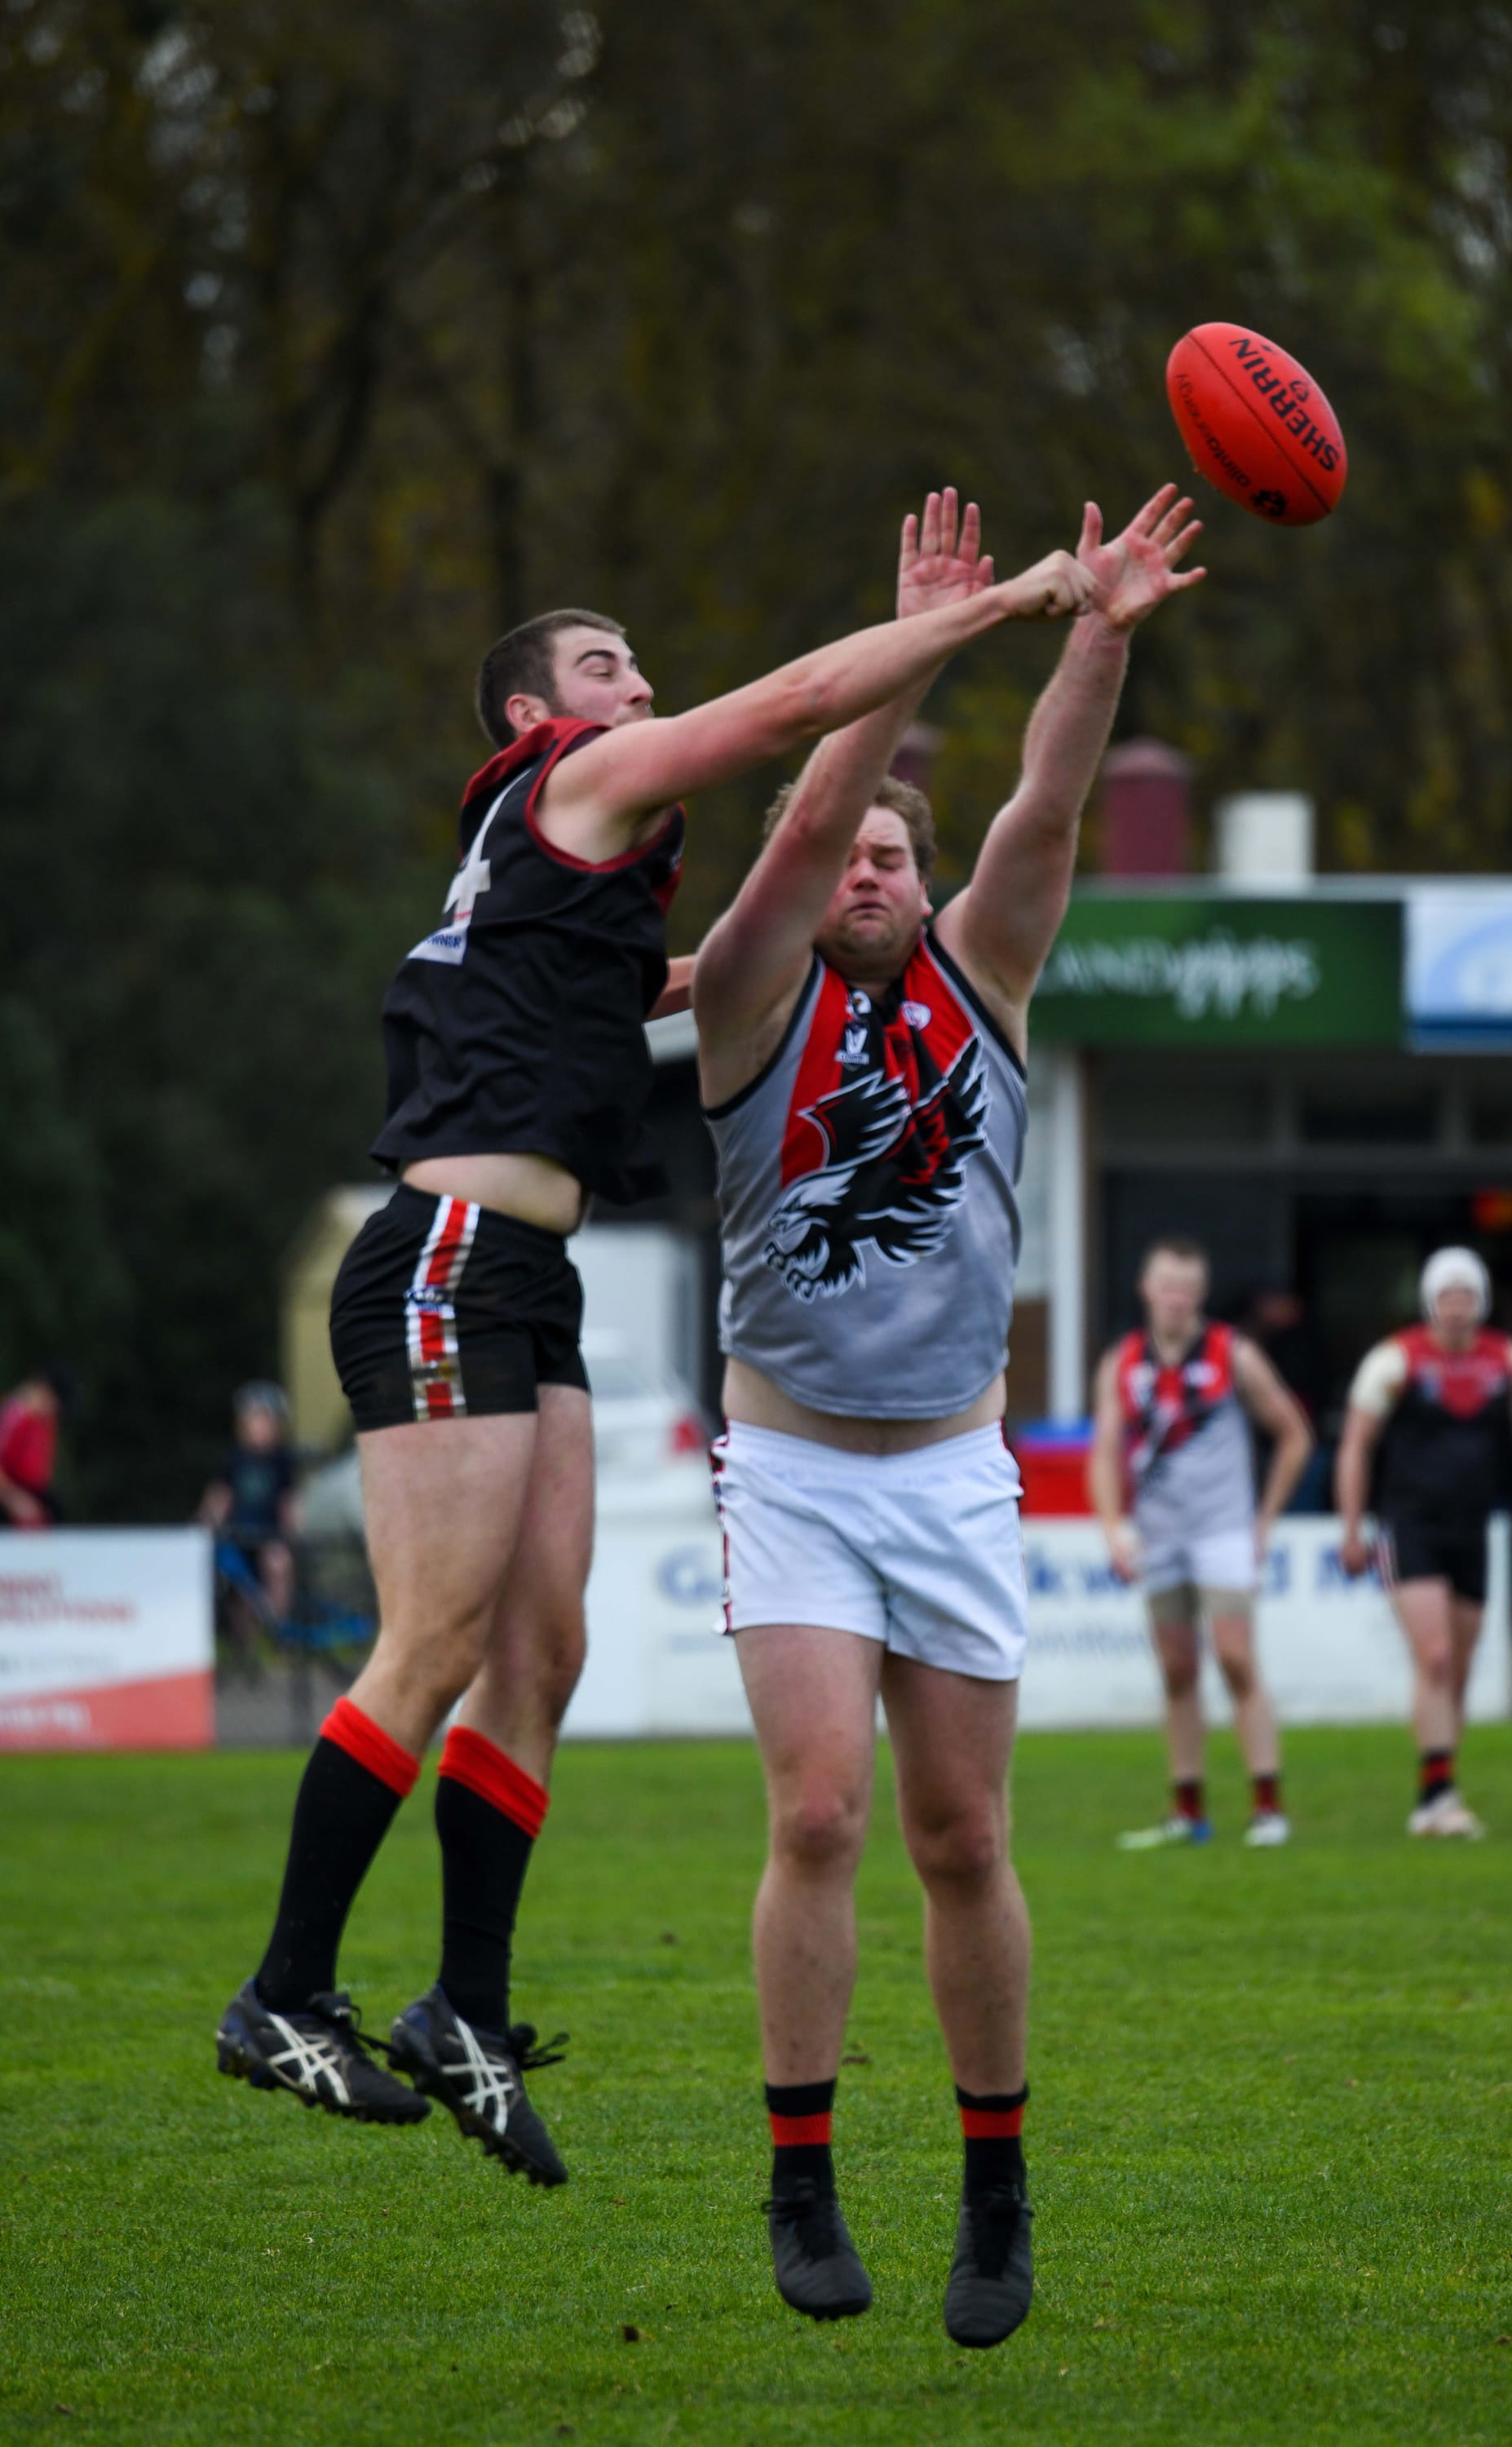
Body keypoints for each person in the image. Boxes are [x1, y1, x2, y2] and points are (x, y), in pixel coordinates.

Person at [215, 509, 1101, 2182]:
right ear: (529, 715)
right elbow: (793, 724)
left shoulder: (576, 882)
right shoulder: (572, 781)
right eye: (605, 660)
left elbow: (653, 979)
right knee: (435, 1643)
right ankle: (283, 1993)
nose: (640, 681)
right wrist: (980, 613)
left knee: (539, 1657)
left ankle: (463, 2012)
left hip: (525, 1272)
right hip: (449, 1251)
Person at [693, 484, 1204, 2345]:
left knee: (961, 1840)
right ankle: (801, 2172)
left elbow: (1044, 809)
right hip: (798, 1469)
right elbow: (813, 806)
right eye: (850, 855)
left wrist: (1094, 626)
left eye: (898, 857)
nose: (873, 872)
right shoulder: (747, 1004)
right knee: (816, 1808)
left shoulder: (981, 977)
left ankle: (994, 2188)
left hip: (958, 1470)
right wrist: (911, 641)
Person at [1335, 1246, 1512, 1838]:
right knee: (1435, 1656)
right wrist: (1350, 1525)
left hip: (1473, 1527)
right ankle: (1437, 1796)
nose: (1458, 1308)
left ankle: (1439, 1787)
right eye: (1447, 1296)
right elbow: (1356, 1445)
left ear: (1482, 1302)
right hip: (1410, 1525)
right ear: (1429, 1302)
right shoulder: (1397, 1361)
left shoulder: (1505, 1361)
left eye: (1467, 1296)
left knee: (1459, 1669)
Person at [1090, 1239, 1312, 1851]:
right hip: (1159, 1535)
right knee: (1177, 1669)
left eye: (1187, 1287)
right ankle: (1187, 1810)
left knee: (1236, 1658)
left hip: (1222, 1531)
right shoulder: (1123, 1361)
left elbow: (1294, 1435)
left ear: (1201, 1295)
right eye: (1167, 1285)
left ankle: (1268, 1804)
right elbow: (1105, 1451)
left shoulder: (1232, 1354)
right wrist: (1113, 1528)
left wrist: (1263, 1521)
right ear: (1146, 1288)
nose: (1176, 1298)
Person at [198, 1383, 303, 1666]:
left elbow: (288, 1503)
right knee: (241, 1589)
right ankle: (247, 1651)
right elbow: (219, 1500)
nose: (259, 1427)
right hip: (238, 1538)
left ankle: (278, 1634)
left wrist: (292, 1535)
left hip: (269, 1537)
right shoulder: (233, 1460)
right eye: (254, 1420)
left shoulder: (282, 1461)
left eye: (265, 1420)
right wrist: (203, 1529)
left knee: (278, 1565)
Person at [0, 1363, 74, 1528]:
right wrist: (14, 1500)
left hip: (31, 1492)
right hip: (9, 1493)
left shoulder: (46, 1421)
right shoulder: (15, 1416)